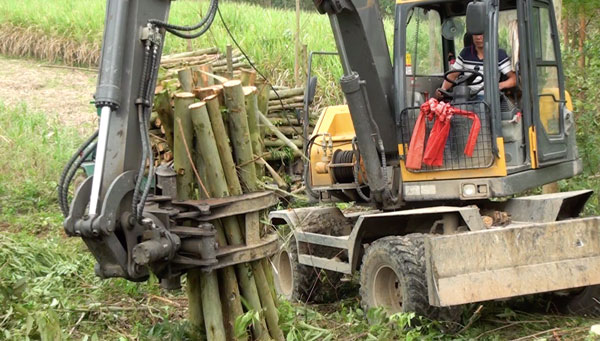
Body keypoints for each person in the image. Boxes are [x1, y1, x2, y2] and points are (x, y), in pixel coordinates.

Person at [436, 34, 517, 99]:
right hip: (467, 96)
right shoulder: (465, 53)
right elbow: (452, 76)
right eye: (475, 34)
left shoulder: (499, 54)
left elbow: (514, 79)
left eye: (481, 34)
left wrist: (499, 85)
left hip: (489, 97)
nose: (478, 37)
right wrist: (443, 90)